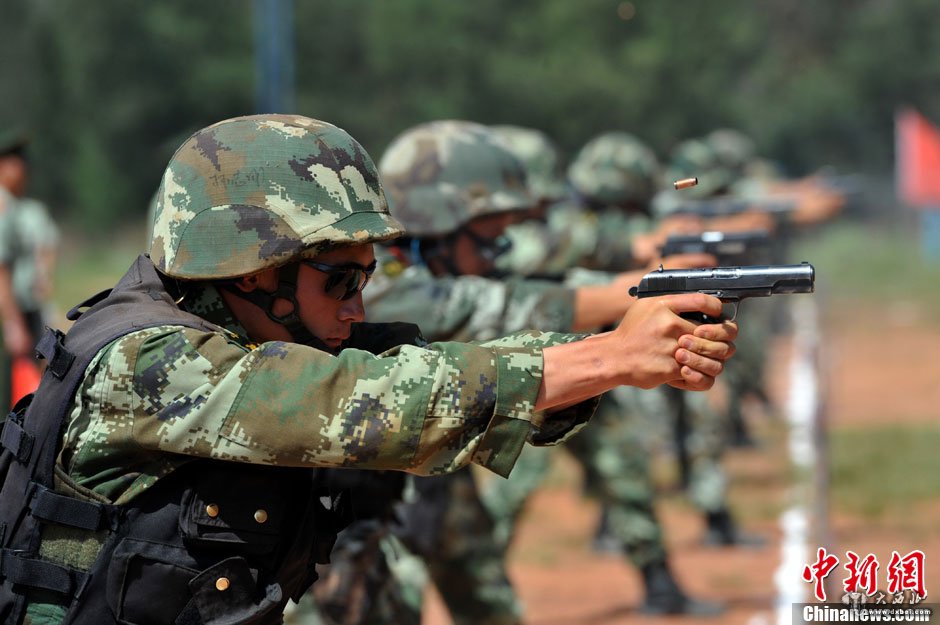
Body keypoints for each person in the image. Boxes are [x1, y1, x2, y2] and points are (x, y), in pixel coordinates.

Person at [0, 114, 738, 625]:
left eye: (366, 275)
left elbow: (410, 364)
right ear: (255, 273)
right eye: (340, 280)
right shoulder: (147, 362)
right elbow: (360, 400)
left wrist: (605, 360)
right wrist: (611, 352)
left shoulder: (238, 336)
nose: (359, 303)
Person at [0, 128, 46, 411]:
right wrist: (13, 324)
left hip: (21, 309)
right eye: (17, 161)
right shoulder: (2, 206)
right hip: (10, 312)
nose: (25, 169)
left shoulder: (13, 205)